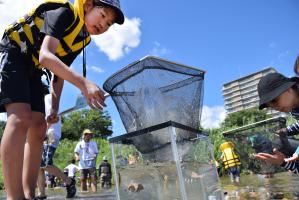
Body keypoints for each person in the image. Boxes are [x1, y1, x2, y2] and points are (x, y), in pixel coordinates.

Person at [0, 0, 124, 199]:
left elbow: (58, 74)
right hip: (14, 50)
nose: (103, 25)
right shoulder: (63, 12)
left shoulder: (83, 38)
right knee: (21, 118)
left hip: (32, 68)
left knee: (40, 126)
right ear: (88, 4)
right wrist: (83, 84)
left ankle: (29, 193)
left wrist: (54, 109)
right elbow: (46, 57)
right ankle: (14, 196)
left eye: (109, 24)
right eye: (103, 16)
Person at [255, 72, 299, 174]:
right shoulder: (294, 108)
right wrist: (282, 162)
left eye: (275, 101)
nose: (276, 107)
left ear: (288, 88)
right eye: (271, 106)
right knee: (280, 140)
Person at [36, 94, 76, 199]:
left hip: (50, 133)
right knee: (38, 166)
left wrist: (44, 132)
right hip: (43, 133)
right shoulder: (41, 98)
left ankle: (69, 181)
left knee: (45, 163)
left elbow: (52, 117)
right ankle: (41, 193)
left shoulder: (47, 97)